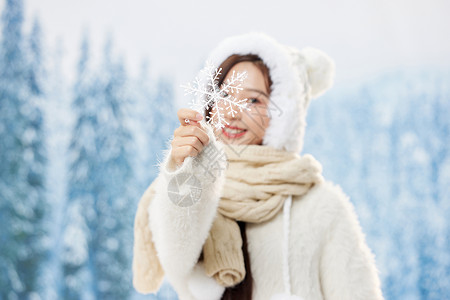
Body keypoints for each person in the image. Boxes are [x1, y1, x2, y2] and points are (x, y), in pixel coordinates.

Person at [132, 32, 384, 300]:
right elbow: (176, 258)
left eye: (253, 100)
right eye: (224, 94)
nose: (232, 111)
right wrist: (187, 169)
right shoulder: (189, 185)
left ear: (282, 115)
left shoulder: (322, 208)